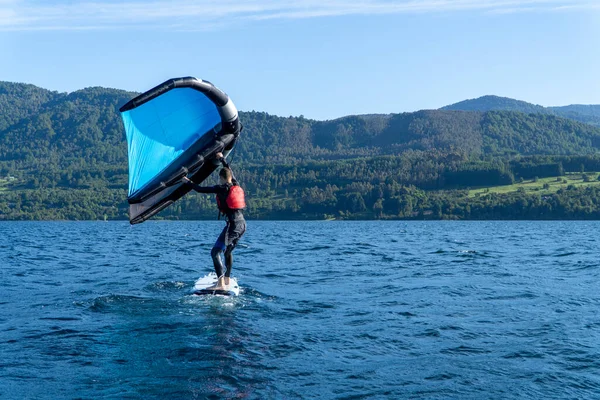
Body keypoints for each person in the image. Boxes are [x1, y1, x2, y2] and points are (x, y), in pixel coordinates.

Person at [182, 152, 246, 291]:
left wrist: (187, 181)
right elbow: (229, 169)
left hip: (233, 225)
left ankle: (221, 284)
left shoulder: (221, 188)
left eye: (219, 179)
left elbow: (200, 189)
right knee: (227, 252)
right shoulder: (235, 183)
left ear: (222, 178)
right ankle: (227, 279)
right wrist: (222, 158)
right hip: (242, 225)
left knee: (215, 252)